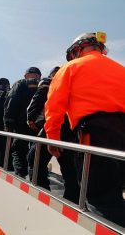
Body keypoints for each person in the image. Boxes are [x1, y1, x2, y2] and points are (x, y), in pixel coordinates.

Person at [45, 32, 125, 226]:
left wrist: (53, 139)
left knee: (99, 197)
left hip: (94, 135)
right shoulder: (121, 69)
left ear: (78, 49)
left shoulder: (70, 68)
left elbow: (54, 106)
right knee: (115, 192)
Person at [27, 66, 79, 203]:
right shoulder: (74, 83)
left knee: (34, 159)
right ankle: (72, 199)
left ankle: (40, 193)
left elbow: (37, 101)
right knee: (69, 167)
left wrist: (31, 118)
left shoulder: (47, 82)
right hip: (71, 130)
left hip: (52, 127)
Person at [4, 67, 41, 177]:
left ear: (25, 75)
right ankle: (35, 179)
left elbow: (11, 102)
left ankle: (20, 178)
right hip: (39, 126)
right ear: (39, 76)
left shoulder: (20, 83)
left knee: (19, 152)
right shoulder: (45, 84)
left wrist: (8, 124)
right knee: (36, 154)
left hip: (21, 125)